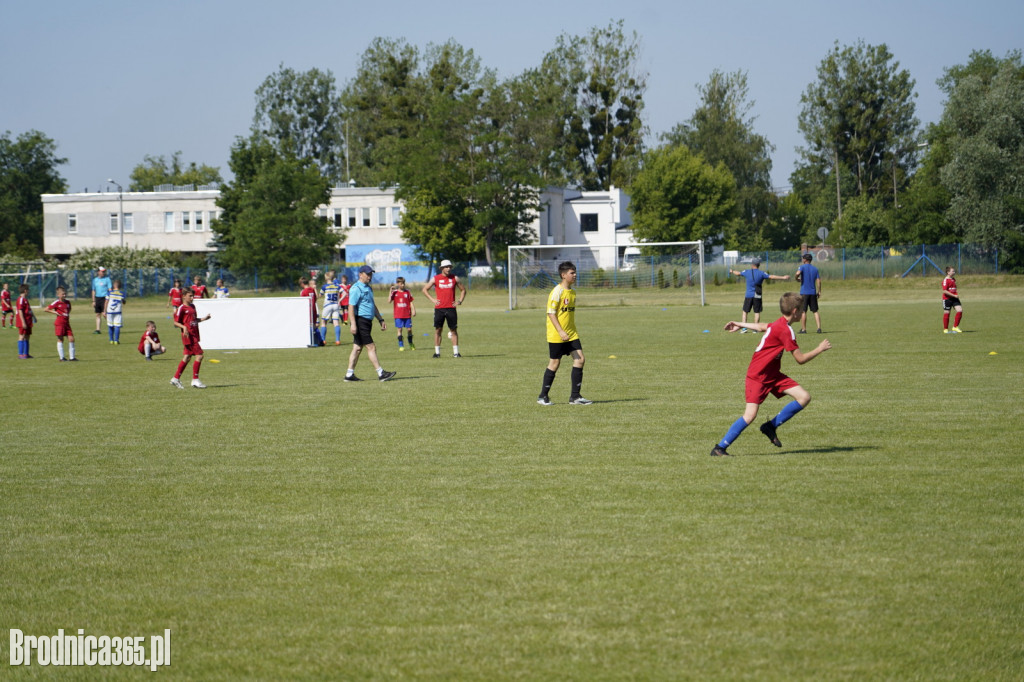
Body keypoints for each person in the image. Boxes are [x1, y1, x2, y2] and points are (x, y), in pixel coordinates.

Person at [710, 292, 831, 457]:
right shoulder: (786, 331)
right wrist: (819, 349)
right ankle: (719, 448)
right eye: (802, 309)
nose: (803, 312)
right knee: (750, 415)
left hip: (773, 374)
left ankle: (770, 426)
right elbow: (800, 359)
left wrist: (740, 323)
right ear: (795, 311)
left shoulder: (779, 323)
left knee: (804, 397)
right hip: (758, 376)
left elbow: (761, 326)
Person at [537, 261, 592, 406]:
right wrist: (560, 331)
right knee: (555, 363)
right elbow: (550, 313)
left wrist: (568, 331)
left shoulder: (572, 292)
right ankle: (543, 397)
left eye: (575, 272)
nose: (575, 275)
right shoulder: (557, 291)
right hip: (557, 334)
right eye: (571, 273)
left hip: (571, 333)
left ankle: (575, 397)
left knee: (580, 359)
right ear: (563, 275)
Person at [344, 265, 396, 382]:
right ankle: (381, 373)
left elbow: (372, 305)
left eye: (371, 274)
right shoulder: (356, 288)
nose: (370, 276)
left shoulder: (368, 287)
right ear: (360, 274)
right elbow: (351, 307)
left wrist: (380, 319)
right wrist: (353, 324)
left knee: (357, 348)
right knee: (371, 347)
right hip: (360, 321)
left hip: (367, 321)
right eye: (368, 274)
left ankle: (349, 374)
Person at [728, 259, 789, 332]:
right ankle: (755, 329)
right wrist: (783, 277)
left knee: (745, 311)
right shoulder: (761, 273)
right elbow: (771, 276)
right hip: (757, 295)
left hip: (749, 295)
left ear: (752, 265)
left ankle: (744, 328)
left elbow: (738, 273)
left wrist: (732, 271)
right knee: (757, 312)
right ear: (759, 265)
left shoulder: (747, 272)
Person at [422, 259, 466, 358]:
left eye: (450, 266)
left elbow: (463, 290)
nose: (448, 268)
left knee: (453, 330)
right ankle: (437, 353)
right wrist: (432, 300)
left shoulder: (455, 278)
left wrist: (459, 301)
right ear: (442, 268)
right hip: (439, 309)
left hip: (451, 308)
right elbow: (425, 289)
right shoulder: (435, 278)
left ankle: (456, 353)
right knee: (438, 330)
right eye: (446, 267)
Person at [171, 288, 211, 389]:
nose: (192, 298)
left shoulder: (193, 306)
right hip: (188, 336)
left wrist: (203, 319)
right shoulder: (181, 308)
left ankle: (175, 378)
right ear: (184, 296)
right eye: (190, 296)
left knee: (187, 357)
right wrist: (184, 327)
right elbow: (175, 322)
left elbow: (194, 320)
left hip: (194, 334)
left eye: (193, 296)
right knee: (200, 355)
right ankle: (195, 380)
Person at [45, 285, 77, 361]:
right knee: (60, 339)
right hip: (59, 323)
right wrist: (55, 312)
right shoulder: (56, 302)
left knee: (71, 339)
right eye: (63, 294)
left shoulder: (68, 302)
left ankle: (72, 358)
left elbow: (69, 310)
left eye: (65, 294)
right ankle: (61, 357)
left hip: (66, 323)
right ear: (58, 295)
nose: (64, 295)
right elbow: (46, 309)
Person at [794, 253, 822, 333]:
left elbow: (797, 273)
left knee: (803, 311)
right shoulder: (815, 269)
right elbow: (819, 281)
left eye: (803, 258)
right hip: (813, 292)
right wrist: (819, 291)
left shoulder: (802, 267)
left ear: (805, 260)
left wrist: (796, 278)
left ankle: (803, 329)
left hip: (804, 293)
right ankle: (819, 328)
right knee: (815, 311)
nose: (802, 259)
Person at [389, 276, 416, 351]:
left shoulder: (407, 292)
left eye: (403, 283)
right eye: (401, 284)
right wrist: (390, 291)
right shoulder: (395, 293)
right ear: (397, 284)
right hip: (398, 315)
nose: (403, 285)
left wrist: (413, 310)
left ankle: (411, 343)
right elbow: (389, 301)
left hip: (407, 314)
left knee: (409, 329)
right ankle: (401, 345)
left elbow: (410, 301)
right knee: (399, 329)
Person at [319, 270, 343, 345]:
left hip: (327, 305)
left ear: (326, 278)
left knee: (323, 322)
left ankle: (323, 340)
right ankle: (337, 340)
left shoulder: (324, 286)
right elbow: (344, 292)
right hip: (335, 305)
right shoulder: (337, 286)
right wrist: (340, 300)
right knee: (336, 323)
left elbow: (320, 295)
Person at [299, 276, 322, 347]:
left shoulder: (303, 292)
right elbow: (315, 299)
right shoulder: (312, 290)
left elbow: (302, 303)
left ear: (302, 284)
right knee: (314, 326)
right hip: (314, 309)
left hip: (308, 310)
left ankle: (313, 342)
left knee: (309, 326)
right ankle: (321, 341)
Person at [942, 266, 964, 333]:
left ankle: (955, 327)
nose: (954, 272)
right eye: (953, 271)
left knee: (960, 310)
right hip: (947, 299)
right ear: (948, 272)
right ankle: (945, 329)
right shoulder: (946, 280)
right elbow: (944, 291)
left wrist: (955, 295)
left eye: (954, 271)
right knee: (947, 313)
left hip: (954, 299)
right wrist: (954, 295)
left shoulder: (953, 279)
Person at [15, 283, 34, 358]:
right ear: (25, 291)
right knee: (22, 336)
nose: (29, 291)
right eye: (28, 290)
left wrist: (33, 317)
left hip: (28, 320)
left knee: (27, 336)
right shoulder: (20, 299)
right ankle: (20, 354)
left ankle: (26, 354)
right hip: (23, 321)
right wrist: (23, 322)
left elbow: (28, 310)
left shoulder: (25, 299)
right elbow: (20, 311)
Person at [91, 266, 112, 334]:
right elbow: (93, 290)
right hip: (98, 298)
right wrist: (93, 301)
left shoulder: (107, 279)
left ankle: (112, 326)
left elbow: (110, 289)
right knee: (98, 314)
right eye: (102, 271)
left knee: (105, 314)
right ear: (98, 272)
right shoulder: (95, 280)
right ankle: (98, 329)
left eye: (104, 271)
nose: (103, 273)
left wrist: (110, 298)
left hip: (105, 298)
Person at [104, 279, 126, 344]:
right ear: (120, 286)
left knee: (110, 325)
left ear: (114, 286)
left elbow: (106, 302)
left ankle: (111, 340)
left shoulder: (109, 293)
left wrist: (104, 311)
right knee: (117, 326)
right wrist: (123, 300)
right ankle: (116, 340)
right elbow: (124, 302)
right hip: (118, 311)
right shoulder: (122, 293)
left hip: (110, 311)